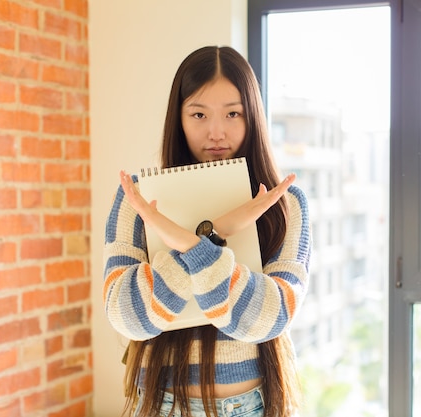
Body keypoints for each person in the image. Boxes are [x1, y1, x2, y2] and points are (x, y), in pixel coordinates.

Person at [103, 46, 311, 417]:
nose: (217, 132)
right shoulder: (138, 197)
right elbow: (126, 316)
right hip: (159, 406)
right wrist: (216, 234)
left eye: (233, 113)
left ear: (253, 118)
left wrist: (190, 243)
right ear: (178, 118)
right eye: (199, 114)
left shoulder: (283, 202)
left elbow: (269, 317)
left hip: (251, 406)